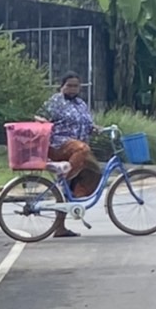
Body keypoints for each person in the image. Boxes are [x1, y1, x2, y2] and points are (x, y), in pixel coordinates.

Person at [41, 73, 100, 238]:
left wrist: (95, 128)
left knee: (95, 172)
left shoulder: (81, 104)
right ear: (62, 86)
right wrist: (43, 123)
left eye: (76, 86)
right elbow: (40, 117)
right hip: (59, 145)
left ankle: (61, 225)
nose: (73, 89)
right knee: (82, 150)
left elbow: (87, 123)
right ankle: (66, 177)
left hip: (76, 151)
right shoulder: (55, 101)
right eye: (69, 85)